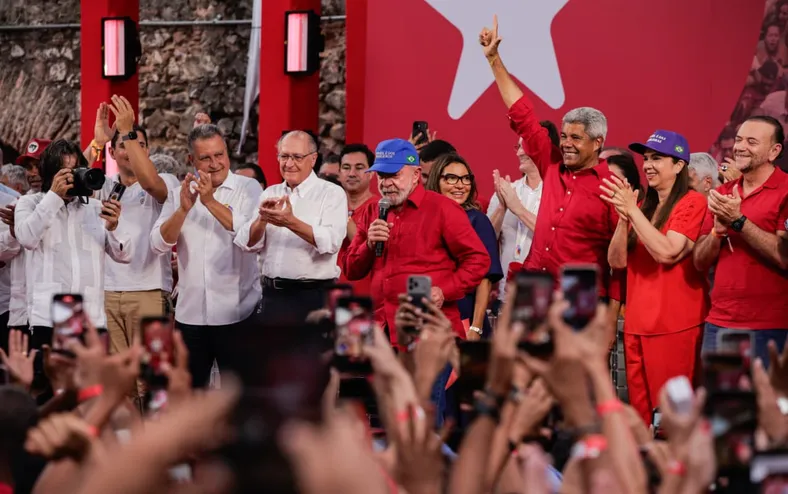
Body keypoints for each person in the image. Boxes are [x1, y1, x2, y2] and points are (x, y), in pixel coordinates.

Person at [480, 17, 618, 294]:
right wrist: (494, 59)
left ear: (597, 142)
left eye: (576, 138)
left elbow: (620, 264)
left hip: (578, 300)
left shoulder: (612, 189)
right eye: (564, 136)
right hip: (532, 289)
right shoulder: (553, 166)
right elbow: (523, 114)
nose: (566, 144)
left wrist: (610, 318)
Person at [602, 130, 708, 424]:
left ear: (678, 166)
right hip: (637, 325)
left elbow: (668, 251)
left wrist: (632, 211)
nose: (648, 165)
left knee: (672, 419)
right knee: (642, 417)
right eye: (646, 158)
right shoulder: (643, 206)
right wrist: (624, 220)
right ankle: (647, 469)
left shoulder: (692, 202)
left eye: (657, 158)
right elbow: (617, 261)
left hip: (674, 326)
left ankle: (678, 469)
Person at [342, 138, 489, 343]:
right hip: (382, 330)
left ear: (416, 175)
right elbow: (351, 269)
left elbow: (478, 260)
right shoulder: (373, 210)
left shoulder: (443, 209)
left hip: (430, 332)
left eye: (394, 175)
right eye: (381, 176)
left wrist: (443, 291)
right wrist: (368, 245)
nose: (386, 183)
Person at [150, 124, 262, 387]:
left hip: (239, 314)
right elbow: (158, 245)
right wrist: (183, 210)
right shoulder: (180, 193)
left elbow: (250, 237)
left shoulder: (249, 188)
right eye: (206, 158)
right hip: (191, 317)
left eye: (219, 154)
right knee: (190, 399)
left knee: (240, 400)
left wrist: (210, 201)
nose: (215, 164)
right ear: (191, 160)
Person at [15, 139, 129, 352]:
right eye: (64, 171)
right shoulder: (29, 203)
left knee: (92, 386)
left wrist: (113, 227)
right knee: (52, 385)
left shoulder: (95, 208)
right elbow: (27, 238)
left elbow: (124, 255)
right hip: (48, 319)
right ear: (49, 173)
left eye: (76, 169)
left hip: (91, 318)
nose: (72, 176)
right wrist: (54, 197)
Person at [693, 116, 788, 365]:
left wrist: (738, 221)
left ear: (774, 151)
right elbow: (700, 262)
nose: (740, 147)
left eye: (752, 142)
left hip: (772, 327)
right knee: (719, 403)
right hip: (719, 322)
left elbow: (784, 257)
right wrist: (718, 232)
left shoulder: (786, 190)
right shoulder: (722, 193)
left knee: (767, 404)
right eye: (738, 140)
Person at [97, 97, 180, 362]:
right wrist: (97, 143)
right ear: (112, 153)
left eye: (141, 145)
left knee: (152, 376)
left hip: (149, 291)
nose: (133, 150)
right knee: (119, 377)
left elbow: (151, 183)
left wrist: (128, 132)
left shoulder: (164, 180)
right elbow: (73, 180)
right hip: (108, 291)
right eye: (124, 145)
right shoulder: (105, 186)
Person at [236, 131, 347, 325]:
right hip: (271, 295)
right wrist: (262, 220)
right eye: (284, 156)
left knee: (311, 355)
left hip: (312, 296)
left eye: (297, 157)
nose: (288, 163)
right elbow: (248, 243)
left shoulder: (331, 193)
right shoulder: (271, 192)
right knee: (270, 355)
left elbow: (331, 242)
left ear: (313, 159)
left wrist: (290, 222)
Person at [426, 153, 503, 339]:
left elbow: (485, 279)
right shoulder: (424, 218)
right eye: (451, 178)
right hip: (429, 318)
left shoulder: (477, 221)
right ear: (436, 181)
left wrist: (475, 328)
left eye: (465, 178)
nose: (460, 185)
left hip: (464, 317)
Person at [488, 136, 544, 302]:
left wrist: (518, 210)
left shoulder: (559, 193)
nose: (519, 152)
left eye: (524, 147)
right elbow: (487, 240)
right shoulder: (507, 189)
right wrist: (502, 207)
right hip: (506, 298)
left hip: (545, 299)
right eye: (517, 147)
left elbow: (559, 237)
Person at [337, 143, 378, 295]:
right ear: (339, 173)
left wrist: (348, 224)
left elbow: (375, 253)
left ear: (371, 173)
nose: (352, 173)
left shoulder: (381, 208)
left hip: (366, 299)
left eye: (359, 167)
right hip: (331, 297)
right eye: (346, 167)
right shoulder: (330, 207)